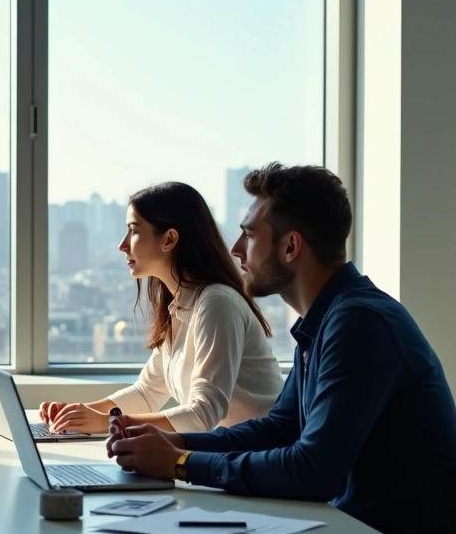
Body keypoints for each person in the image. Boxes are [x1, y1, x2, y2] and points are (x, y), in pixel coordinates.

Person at [106, 163, 456, 534]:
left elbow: (314, 470)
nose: (235, 250)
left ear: (290, 247)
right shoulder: (326, 320)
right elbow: (279, 429)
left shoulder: (359, 324)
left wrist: (179, 463)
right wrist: (174, 443)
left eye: (249, 236)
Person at [40, 182, 283, 434]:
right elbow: (148, 392)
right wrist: (76, 414)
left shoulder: (217, 303)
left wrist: (108, 423)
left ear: (169, 239)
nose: (122, 245)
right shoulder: (179, 305)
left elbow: (204, 413)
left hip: (255, 457)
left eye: (133, 231)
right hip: (224, 455)